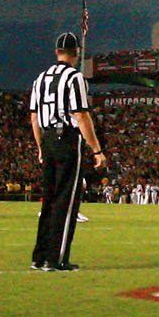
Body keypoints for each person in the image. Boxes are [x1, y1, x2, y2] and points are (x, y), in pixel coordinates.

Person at [28, 31, 104, 272]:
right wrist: (97, 150)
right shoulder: (75, 78)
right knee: (66, 200)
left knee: (48, 200)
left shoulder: (40, 78)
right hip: (66, 138)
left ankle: (39, 257)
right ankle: (56, 258)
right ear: (77, 53)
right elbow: (81, 115)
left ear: (56, 52)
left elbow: (34, 117)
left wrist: (40, 146)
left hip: (48, 138)